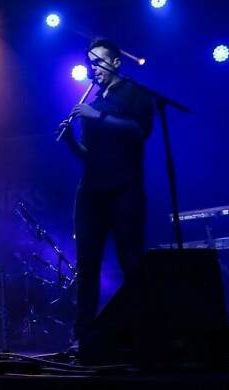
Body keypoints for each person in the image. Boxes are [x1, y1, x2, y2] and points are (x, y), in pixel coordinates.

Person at [56, 39, 154, 345]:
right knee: (87, 263)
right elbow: (88, 155)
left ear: (115, 62)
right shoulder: (94, 101)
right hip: (91, 191)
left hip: (125, 187)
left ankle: (141, 332)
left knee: (131, 261)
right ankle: (83, 335)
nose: (93, 68)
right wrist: (70, 139)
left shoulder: (135, 93)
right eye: (90, 62)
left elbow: (139, 131)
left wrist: (96, 117)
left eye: (98, 61)